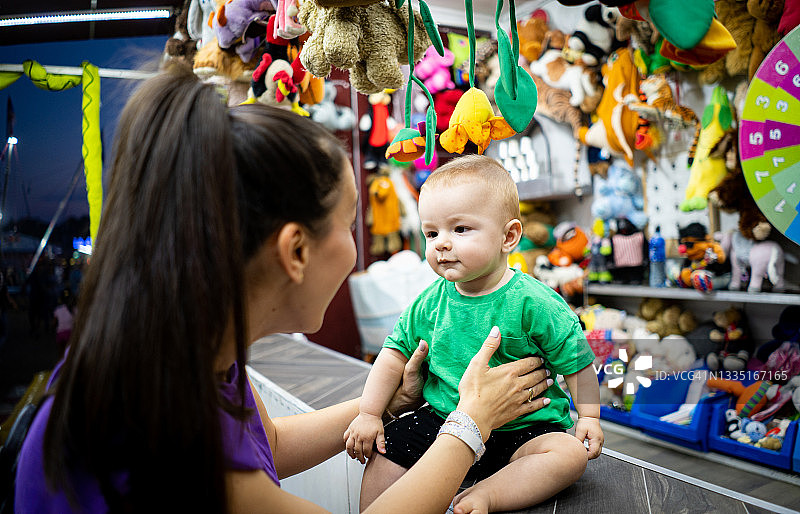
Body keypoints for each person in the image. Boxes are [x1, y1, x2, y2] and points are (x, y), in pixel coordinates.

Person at [14, 65, 552, 513]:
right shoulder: (167, 430)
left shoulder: (192, 359)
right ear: (295, 251)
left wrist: (390, 402)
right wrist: (470, 424)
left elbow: (266, 446)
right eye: (347, 225)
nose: (356, 251)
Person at [345, 155, 604, 513]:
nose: (440, 244)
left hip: (525, 427)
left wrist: (588, 416)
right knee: (386, 447)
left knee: (568, 455)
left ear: (508, 236)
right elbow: (393, 354)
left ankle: (488, 493)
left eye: (460, 229)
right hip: (444, 420)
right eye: (431, 233)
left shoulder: (535, 302)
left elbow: (576, 360)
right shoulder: (429, 302)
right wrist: (371, 413)